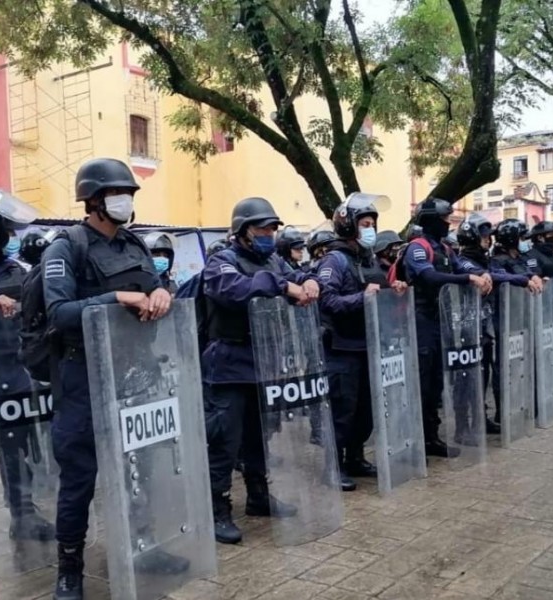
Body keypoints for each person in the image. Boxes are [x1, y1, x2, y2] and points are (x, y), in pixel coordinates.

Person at [42, 158, 180, 599]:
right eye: (118, 194)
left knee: (140, 467)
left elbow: (157, 286)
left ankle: (145, 545)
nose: (126, 201)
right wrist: (112, 297)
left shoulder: (135, 245)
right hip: (81, 377)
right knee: (80, 478)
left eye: (130, 194)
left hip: (133, 373)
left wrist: (163, 291)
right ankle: (70, 571)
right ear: (95, 200)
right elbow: (58, 314)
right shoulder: (66, 247)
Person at [201, 197, 318, 545]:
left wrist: (310, 281)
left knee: (259, 436)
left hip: (263, 362)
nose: (268, 234)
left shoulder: (273, 260)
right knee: (225, 440)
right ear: (242, 231)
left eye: (272, 228)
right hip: (228, 363)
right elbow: (234, 290)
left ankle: (258, 496)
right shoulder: (221, 261)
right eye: (261, 228)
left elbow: (298, 275)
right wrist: (283, 286)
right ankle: (217, 509)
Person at [0, 192, 55, 541]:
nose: (9, 232)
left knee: (16, 451)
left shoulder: (18, 270)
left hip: (13, 376)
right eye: (4, 225)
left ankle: (24, 517)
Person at [317, 195, 407, 491]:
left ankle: (355, 457)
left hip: (367, 345)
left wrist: (392, 287)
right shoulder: (335, 260)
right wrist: (362, 297)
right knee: (343, 412)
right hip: (341, 349)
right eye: (364, 224)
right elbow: (326, 300)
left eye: (372, 224)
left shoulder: (366, 259)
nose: (370, 229)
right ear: (348, 226)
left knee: (365, 411)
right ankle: (335, 466)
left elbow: (376, 289)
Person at [401, 198, 491, 457]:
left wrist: (480, 273)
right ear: (430, 220)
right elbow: (428, 276)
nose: (447, 224)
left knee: (435, 386)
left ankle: (431, 438)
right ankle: (416, 440)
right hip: (420, 324)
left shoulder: (445, 249)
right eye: (443, 219)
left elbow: (464, 265)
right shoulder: (417, 248)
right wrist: (467, 278)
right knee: (422, 385)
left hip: (440, 323)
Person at [455, 213, 538, 437]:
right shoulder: (462, 260)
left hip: (484, 326)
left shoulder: (485, 260)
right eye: (483, 237)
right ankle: (463, 427)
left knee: (483, 376)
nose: (488, 240)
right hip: (466, 327)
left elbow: (501, 273)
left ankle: (480, 420)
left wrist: (530, 276)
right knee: (466, 379)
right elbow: (491, 275)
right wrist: (521, 279)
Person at [490, 219, 544, 290]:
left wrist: (533, 276)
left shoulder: (519, 259)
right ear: (512, 240)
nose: (526, 242)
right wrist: (525, 281)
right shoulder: (497, 261)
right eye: (522, 239)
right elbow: (503, 276)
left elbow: (523, 271)